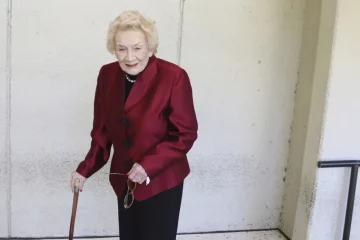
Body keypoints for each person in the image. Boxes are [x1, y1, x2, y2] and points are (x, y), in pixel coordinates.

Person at [70, 10, 198, 240]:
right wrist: (85, 169)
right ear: (114, 49)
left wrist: (147, 165)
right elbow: (101, 132)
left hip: (161, 182)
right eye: (122, 48)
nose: (130, 57)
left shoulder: (173, 77)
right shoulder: (107, 75)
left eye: (137, 48)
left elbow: (185, 134)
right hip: (124, 181)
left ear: (150, 48)